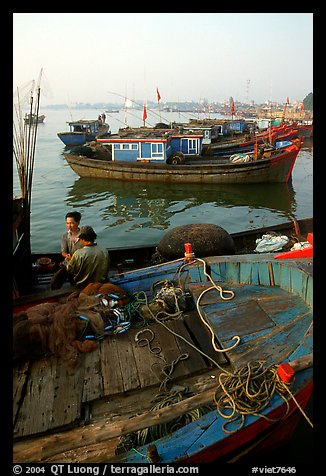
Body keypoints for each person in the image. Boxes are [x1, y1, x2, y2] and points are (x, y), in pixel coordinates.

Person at [50, 211, 83, 290]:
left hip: (81, 261)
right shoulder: (65, 236)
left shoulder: (83, 235)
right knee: (55, 279)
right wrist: (66, 255)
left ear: (78, 222)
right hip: (69, 261)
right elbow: (63, 252)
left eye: (72, 223)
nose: (69, 226)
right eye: (67, 223)